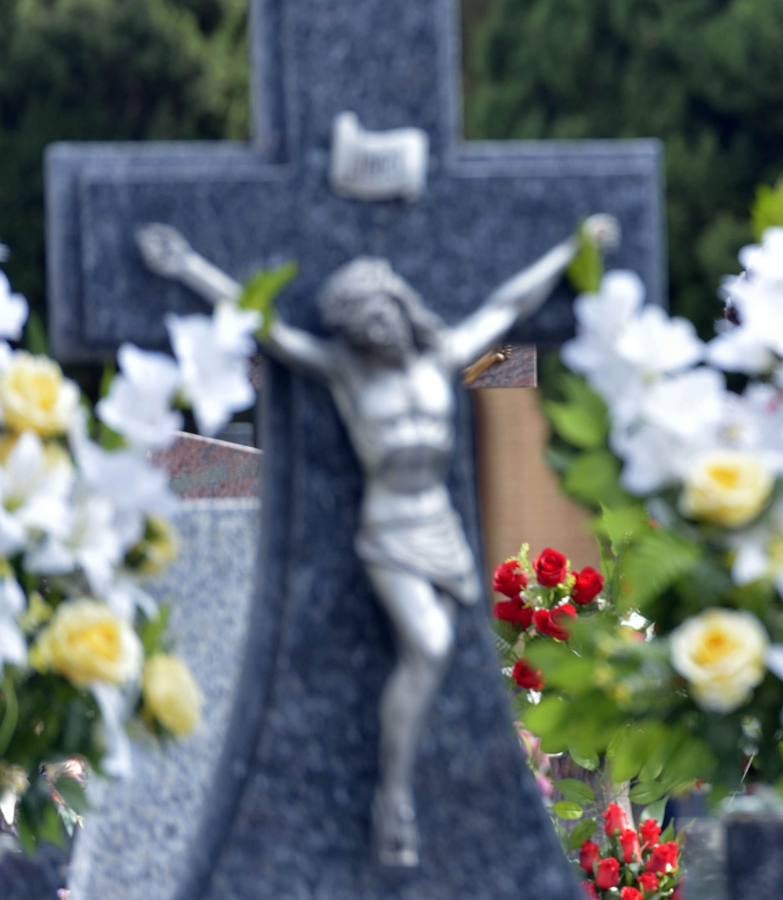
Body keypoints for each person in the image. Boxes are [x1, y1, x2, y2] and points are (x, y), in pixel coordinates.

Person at [135, 215, 617, 866]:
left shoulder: (443, 357)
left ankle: (422, 785)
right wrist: (188, 265)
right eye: (362, 325)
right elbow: (270, 329)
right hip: (389, 529)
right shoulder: (347, 373)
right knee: (429, 645)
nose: (376, 331)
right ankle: (393, 796)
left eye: (381, 316)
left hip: (442, 528)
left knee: (446, 658)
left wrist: (571, 251)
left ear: (400, 308)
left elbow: (509, 304)